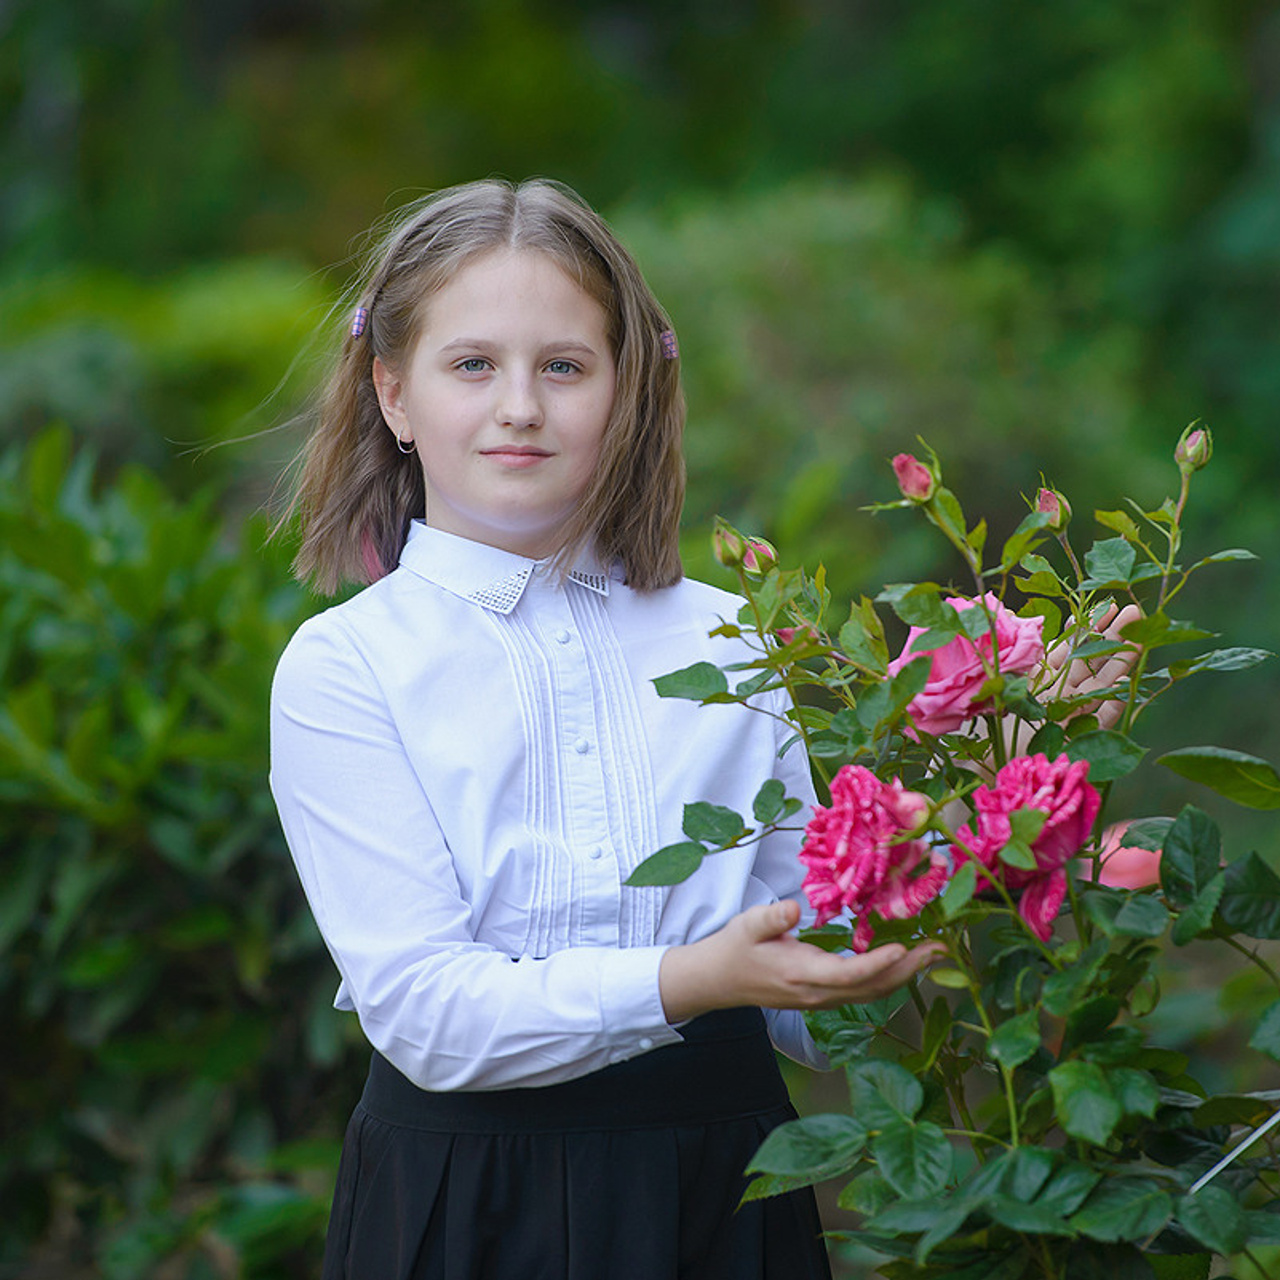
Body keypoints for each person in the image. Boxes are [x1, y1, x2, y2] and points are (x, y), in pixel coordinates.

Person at [269, 177, 942, 1280]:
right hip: (465, 1198)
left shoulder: (736, 640)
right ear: (393, 391)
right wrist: (688, 979)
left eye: (565, 366)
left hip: (727, 1182)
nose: (520, 405)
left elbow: (817, 990)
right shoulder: (347, 667)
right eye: (472, 363)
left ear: (627, 389)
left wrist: (994, 793)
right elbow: (428, 1013)